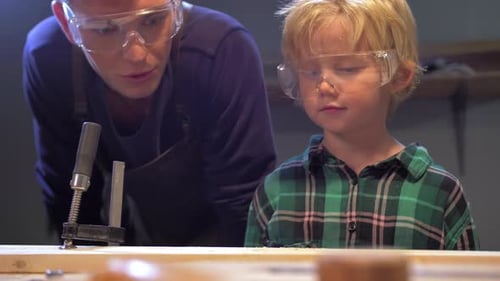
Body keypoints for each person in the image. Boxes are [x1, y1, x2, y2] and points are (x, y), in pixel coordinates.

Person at [22, 0, 277, 246]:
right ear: (67, 23)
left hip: (224, 241)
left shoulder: (221, 49)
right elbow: (66, 196)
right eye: (104, 29)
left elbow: (242, 206)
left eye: (153, 20)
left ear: (175, 6)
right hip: (130, 239)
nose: (136, 54)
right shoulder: (48, 56)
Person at [244, 0, 479, 250]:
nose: (323, 86)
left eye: (347, 68)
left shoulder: (439, 192)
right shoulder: (277, 191)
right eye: (311, 71)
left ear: (399, 75)